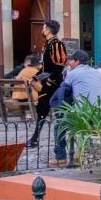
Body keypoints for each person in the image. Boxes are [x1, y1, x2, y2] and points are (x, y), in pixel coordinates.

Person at [49, 49, 101, 167]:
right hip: (99, 113)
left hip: (83, 113)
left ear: (77, 61)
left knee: (59, 126)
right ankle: (82, 152)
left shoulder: (73, 73)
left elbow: (63, 89)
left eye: (71, 60)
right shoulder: (97, 72)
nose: (69, 63)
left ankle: (61, 157)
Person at [27, 19, 67, 149]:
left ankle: (39, 139)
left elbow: (59, 67)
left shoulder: (57, 45)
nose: (42, 30)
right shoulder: (48, 44)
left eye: (44, 28)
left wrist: (45, 79)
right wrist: (35, 77)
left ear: (49, 30)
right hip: (47, 82)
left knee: (53, 111)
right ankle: (35, 139)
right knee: (42, 109)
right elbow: (45, 67)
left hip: (54, 83)